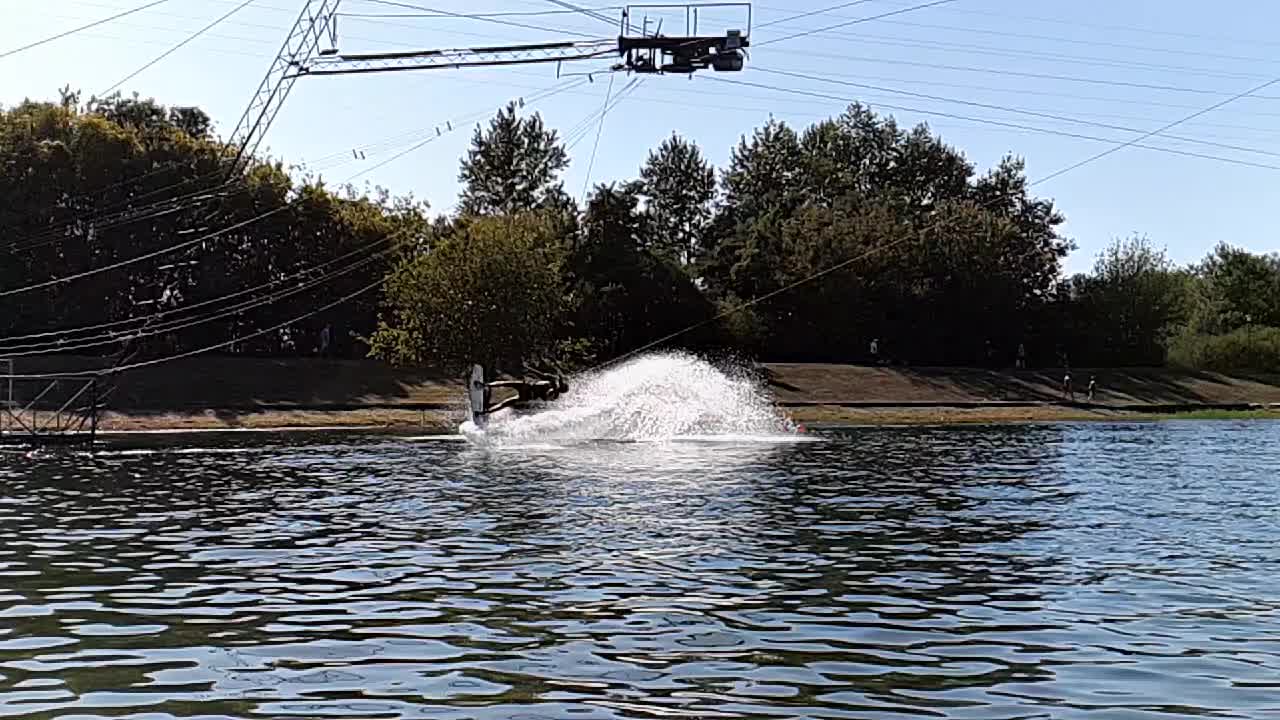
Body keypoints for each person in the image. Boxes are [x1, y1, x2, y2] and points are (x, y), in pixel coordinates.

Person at [480, 365, 569, 416]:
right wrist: (529, 368)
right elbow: (541, 374)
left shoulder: (554, 393)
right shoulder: (553, 382)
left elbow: (547, 396)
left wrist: (554, 390)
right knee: (506, 389)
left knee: (506, 398)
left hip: (527, 392)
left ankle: (486, 409)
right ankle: (486, 389)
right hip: (527, 389)